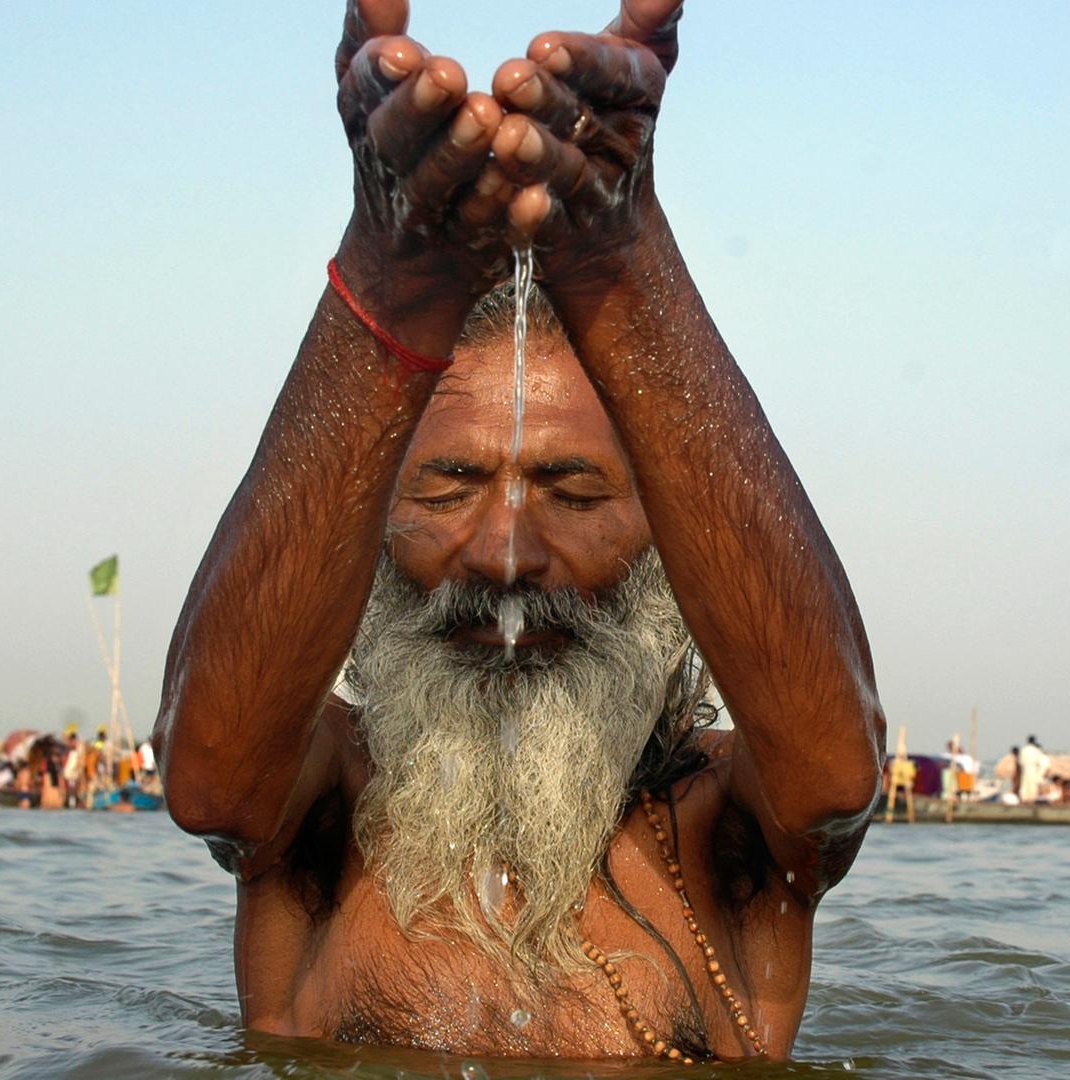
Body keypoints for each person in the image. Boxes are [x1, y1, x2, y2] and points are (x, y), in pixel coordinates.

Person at [153, 3, 884, 1061]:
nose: (504, 556)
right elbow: (208, 779)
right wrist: (388, 274)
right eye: (448, 489)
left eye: (574, 495)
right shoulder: (323, 814)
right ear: (372, 519)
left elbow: (833, 779)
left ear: (665, 537)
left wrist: (624, 269)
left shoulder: (721, 831)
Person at [1018, 736, 1049, 802]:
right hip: (1033, 768)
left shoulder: (1023, 749)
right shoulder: (1036, 750)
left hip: (1025, 769)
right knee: (1032, 784)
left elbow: (1020, 761)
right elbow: (1039, 761)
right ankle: (1031, 798)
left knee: (1025, 784)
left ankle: (1024, 798)